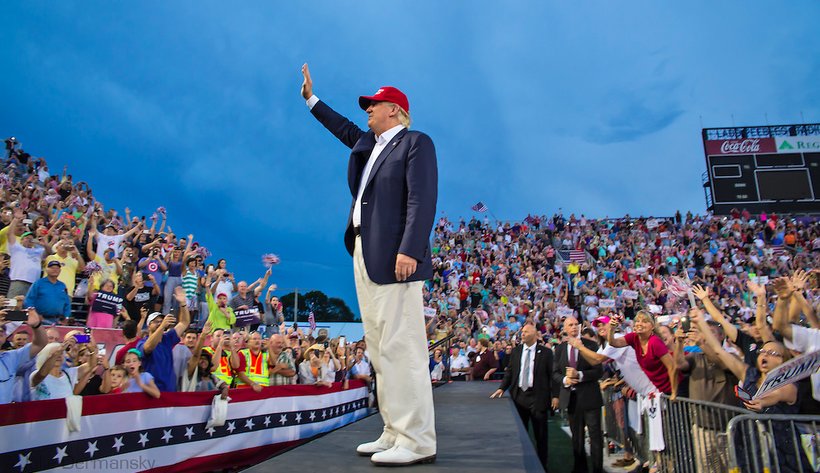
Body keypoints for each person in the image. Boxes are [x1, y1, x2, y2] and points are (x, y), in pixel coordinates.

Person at [302, 63, 438, 466]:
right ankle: (394, 430)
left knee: (402, 345)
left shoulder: (415, 142)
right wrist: (311, 99)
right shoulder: (371, 144)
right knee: (379, 346)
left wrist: (410, 249)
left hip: (396, 253)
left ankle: (417, 440)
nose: (367, 110)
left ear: (394, 109)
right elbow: (341, 126)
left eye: (373, 105)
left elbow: (422, 198)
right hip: (365, 249)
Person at [490, 323, 553, 470]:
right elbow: (510, 371)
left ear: (535, 334)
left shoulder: (546, 353)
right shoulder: (517, 351)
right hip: (519, 398)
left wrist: (555, 396)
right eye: (522, 332)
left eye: (525, 332)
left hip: (538, 398)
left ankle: (542, 466)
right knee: (520, 435)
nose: (522, 334)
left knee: (541, 436)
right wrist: (502, 388)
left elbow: (551, 375)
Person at [552, 316, 604, 473]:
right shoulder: (560, 349)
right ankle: (579, 468)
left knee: (595, 437)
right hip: (571, 399)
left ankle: (597, 469)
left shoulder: (591, 345)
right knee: (577, 438)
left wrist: (579, 375)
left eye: (576, 324)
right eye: (570, 325)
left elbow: (598, 371)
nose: (574, 327)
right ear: (565, 329)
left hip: (590, 398)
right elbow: (555, 373)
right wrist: (566, 379)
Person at [136, 287, 190, 391]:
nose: (160, 323)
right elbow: (148, 348)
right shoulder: (141, 342)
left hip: (170, 390)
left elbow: (184, 322)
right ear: (148, 325)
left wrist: (183, 303)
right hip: (151, 392)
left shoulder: (167, 338)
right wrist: (162, 326)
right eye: (156, 321)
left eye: (161, 321)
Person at [0, 307, 47, 404]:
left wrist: (36, 325)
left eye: (2, 330)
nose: (0, 330)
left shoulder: (11, 357)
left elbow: (39, 344)